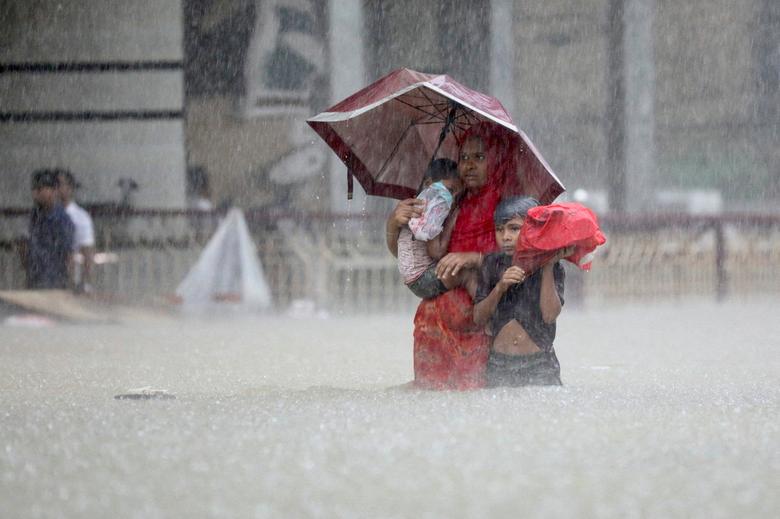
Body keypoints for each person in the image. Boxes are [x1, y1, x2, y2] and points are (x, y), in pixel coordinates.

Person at [386, 122, 523, 389]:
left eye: (479, 157)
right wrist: (393, 224)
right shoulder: (447, 200)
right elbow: (411, 257)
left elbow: (521, 260)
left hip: (482, 323)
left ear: (496, 161)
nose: (469, 165)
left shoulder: (508, 206)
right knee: (430, 402)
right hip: (433, 324)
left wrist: (475, 258)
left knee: (476, 399)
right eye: (464, 157)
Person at [473, 196, 573, 386]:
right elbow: (478, 318)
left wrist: (548, 267)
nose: (506, 237)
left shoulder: (552, 265)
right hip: (499, 364)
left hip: (540, 365)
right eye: (499, 229)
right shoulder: (492, 264)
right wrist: (500, 287)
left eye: (514, 228)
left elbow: (549, 315)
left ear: (532, 230)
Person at [397, 158, 475, 298]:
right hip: (423, 278)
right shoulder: (432, 210)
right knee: (469, 275)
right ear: (428, 184)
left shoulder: (420, 202)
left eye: (458, 195)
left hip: (413, 278)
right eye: (450, 190)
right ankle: (482, 307)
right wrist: (452, 222)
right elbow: (436, 252)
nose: (453, 199)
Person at [26, 169, 75, 289]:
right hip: (35, 278)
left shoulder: (61, 220)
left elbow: (68, 254)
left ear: (53, 191)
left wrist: (69, 283)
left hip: (54, 280)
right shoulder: (35, 215)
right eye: (34, 189)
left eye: (40, 189)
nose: (35, 194)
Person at [57, 169, 96, 293]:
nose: (56, 189)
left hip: (71, 280)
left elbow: (88, 253)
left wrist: (86, 283)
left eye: (60, 184)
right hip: (47, 279)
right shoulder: (41, 216)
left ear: (70, 188)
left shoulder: (81, 217)